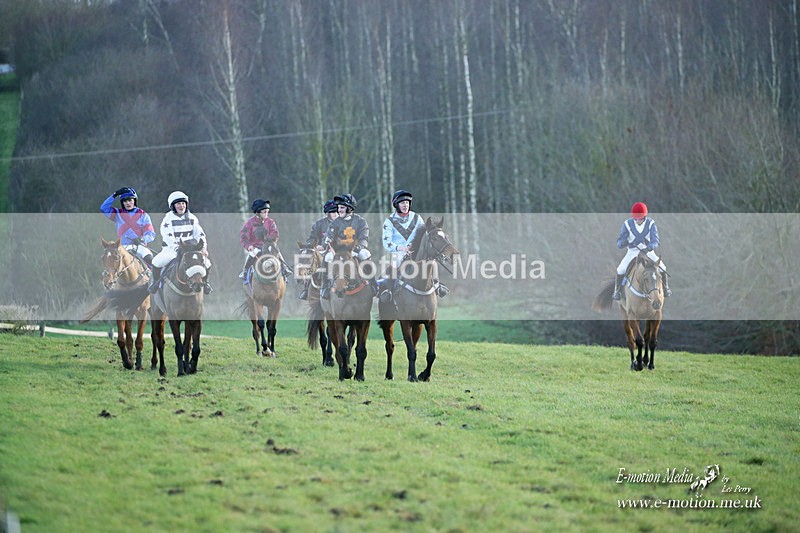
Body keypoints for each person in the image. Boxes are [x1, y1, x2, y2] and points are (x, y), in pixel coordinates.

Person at [377, 189, 448, 302]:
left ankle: (437, 286)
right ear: (396, 205)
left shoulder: (417, 218)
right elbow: (387, 242)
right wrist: (401, 248)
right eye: (402, 203)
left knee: (431, 261)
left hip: (415, 251)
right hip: (399, 252)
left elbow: (422, 236)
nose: (405, 205)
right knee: (397, 260)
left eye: (407, 203)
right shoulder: (389, 222)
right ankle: (389, 290)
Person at [149, 191, 213, 294]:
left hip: (191, 250)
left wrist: (204, 248)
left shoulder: (192, 218)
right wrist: (177, 248)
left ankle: (205, 283)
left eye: (183, 203)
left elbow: (200, 234)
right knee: (157, 261)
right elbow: (167, 236)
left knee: (207, 263)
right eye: (178, 204)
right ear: (173, 206)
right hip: (172, 249)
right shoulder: (168, 219)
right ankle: (156, 283)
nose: (181, 206)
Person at [612, 202, 671, 300]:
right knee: (620, 269)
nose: (638, 220)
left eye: (640, 218)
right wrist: (623, 243)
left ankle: (665, 288)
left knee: (662, 267)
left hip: (648, 251)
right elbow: (619, 241)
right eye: (636, 218)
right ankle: (617, 291)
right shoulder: (627, 224)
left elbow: (655, 241)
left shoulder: (651, 223)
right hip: (632, 251)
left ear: (645, 216)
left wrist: (649, 247)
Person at [320, 193, 372, 300]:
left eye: (342, 207)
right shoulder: (335, 222)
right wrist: (325, 243)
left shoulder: (361, 221)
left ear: (350, 208)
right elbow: (329, 235)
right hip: (339, 251)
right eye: (338, 208)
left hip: (355, 249)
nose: (339, 210)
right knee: (327, 257)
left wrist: (359, 248)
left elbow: (364, 238)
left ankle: (373, 283)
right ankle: (325, 286)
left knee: (366, 254)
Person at [101, 187, 156, 267]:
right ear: (122, 203)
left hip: (139, 247)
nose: (127, 203)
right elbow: (103, 208)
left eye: (130, 200)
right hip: (123, 248)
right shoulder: (117, 214)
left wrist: (142, 239)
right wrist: (115, 195)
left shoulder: (143, 215)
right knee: (111, 263)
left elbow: (151, 234)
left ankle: (155, 279)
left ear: (134, 201)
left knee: (151, 260)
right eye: (125, 201)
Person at [238, 198, 292, 280]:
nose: (267, 213)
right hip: (256, 247)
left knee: (277, 252)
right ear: (258, 212)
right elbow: (243, 236)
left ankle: (284, 268)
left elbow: (275, 233)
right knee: (253, 253)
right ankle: (245, 271)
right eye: (264, 212)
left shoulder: (271, 222)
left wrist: (269, 240)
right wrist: (249, 246)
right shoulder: (250, 223)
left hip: (269, 245)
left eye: (267, 211)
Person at [297, 199, 338, 300]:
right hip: (321, 251)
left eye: (337, 211)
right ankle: (307, 288)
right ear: (328, 213)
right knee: (309, 258)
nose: (335, 213)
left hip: (339, 250)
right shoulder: (319, 224)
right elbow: (311, 238)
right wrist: (314, 246)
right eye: (333, 211)